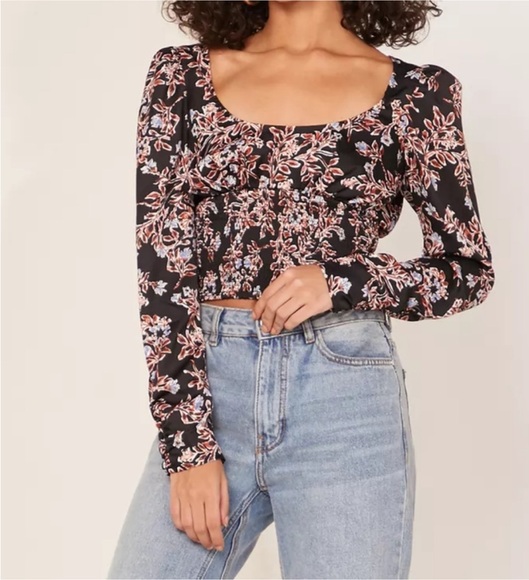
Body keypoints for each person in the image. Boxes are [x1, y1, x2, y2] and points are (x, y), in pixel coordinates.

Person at [107, 1, 495, 578]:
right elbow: (162, 272)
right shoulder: (180, 77)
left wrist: (343, 279)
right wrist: (188, 447)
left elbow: (467, 269)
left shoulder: (419, 96)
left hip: (345, 402)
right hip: (213, 392)